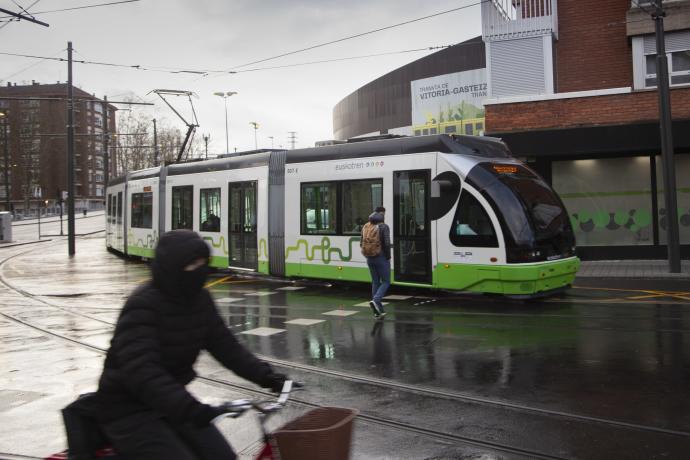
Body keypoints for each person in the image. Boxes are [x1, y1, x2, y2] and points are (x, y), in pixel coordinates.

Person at [92, 229, 289, 460]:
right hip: (127, 410)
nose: (200, 270)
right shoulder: (143, 304)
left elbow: (226, 346)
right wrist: (189, 408)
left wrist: (268, 377)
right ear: (172, 268)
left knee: (222, 455)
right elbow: (143, 371)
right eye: (192, 264)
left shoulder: (199, 299)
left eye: (203, 263)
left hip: (172, 405)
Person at [360, 206, 391, 319]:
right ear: (382, 214)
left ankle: (379, 311)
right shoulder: (383, 227)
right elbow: (387, 244)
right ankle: (376, 300)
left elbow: (361, 243)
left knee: (375, 282)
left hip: (369, 257)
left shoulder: (366, 226)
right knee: (386, 281)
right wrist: (388, 257)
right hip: (381, 257)